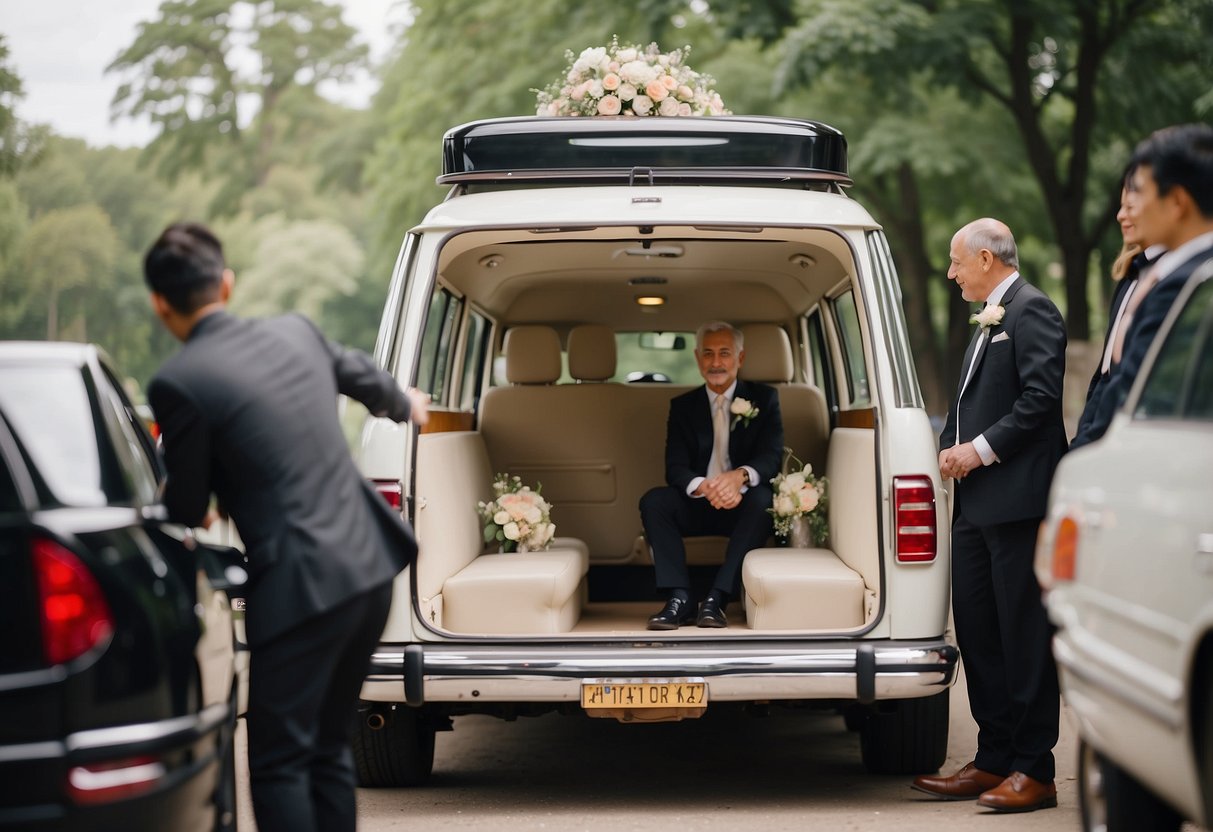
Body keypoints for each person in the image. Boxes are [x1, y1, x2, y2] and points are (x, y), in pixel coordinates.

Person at [143, 222, 429, 832]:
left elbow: (188, 508)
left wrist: (195, 497)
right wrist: (406, 405)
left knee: (277, 762)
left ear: (159, 303)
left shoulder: (178, 382)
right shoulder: (293, 332)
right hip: (369, 572)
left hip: (300, 590)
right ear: (227, 283)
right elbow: (364, 376)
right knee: (326, 748)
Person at [913, 219, 1067, 813]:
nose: (950, 274)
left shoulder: (1033, 311)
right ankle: (993, 757)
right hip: (975, 508)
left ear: (984, 257)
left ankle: (1036, 770)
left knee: (1022, 636)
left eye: (955, 263)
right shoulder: (987, 319)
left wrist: (974, 451)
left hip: (1019, 505)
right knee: (979, 633)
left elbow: (1039, 401)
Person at [1071, 123, 1213, 450]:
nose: (1128, 210)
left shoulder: (1183, 286)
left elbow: (1132, 392)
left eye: (1140, 193)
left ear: (1177, 201)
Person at [639, 321, 783, 630]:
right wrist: (704, 486)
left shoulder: (765, 399)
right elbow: (674, 466)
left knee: (763, 500)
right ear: (697, 358)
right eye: (708, 354)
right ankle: (679, 598)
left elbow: (771, 458)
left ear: (740, 359)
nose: (716, 363)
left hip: (741, 506)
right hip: (698, 502)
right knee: (654, 501)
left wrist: (739, 477)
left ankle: (717, 600)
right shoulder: (682, 406)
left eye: (724, 353)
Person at [1075, 172, 1166, 438]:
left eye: (1130, 207)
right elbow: (1104, 371)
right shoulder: (1128, 277)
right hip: (1097, 422)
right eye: (1120, 206)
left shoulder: (1167, 280)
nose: (1120, 216)